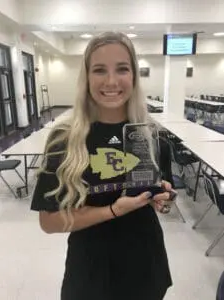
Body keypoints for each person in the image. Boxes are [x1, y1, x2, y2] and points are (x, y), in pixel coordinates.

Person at [31, 31, 174, 300]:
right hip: (90, 272)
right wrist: (112, 210)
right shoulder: (64, 141)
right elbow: (48, 222)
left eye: (122, 69)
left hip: (146, 265)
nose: (111, 81)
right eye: (99, 70)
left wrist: (163, 198)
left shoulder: (150, 136)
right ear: (86, 77)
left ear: (133, 75)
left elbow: (161, 200)